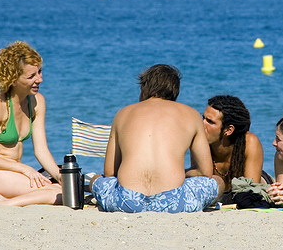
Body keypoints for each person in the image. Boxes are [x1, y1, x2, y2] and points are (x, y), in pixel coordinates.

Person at [91, 64, 223, 213]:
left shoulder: (123, 113)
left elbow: (109, 172)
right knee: (217, 181)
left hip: (126, 202)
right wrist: (180, 172)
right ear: (175, 91)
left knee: (96, 179)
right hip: (174, 204)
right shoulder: (191, 114)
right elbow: (205, 172)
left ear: (144, 88)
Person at [0, 41, 62, 208]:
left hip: (16, 174)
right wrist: (24, 169)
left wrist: (59, 176)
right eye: (31, 76)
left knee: (66, 188)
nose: (40, 79)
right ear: (13, 80)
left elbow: (41, 151)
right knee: (56, 194)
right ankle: (0, 206)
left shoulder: (37, 102)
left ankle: (4, 201)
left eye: (40, 72)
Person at [202, 95, 266, 191]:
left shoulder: (249, 142)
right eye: (203, 118)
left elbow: (251, 191)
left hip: (258, 187)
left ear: (228, 130)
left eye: (210, 122)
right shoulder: (200, 143)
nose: (202, 124)